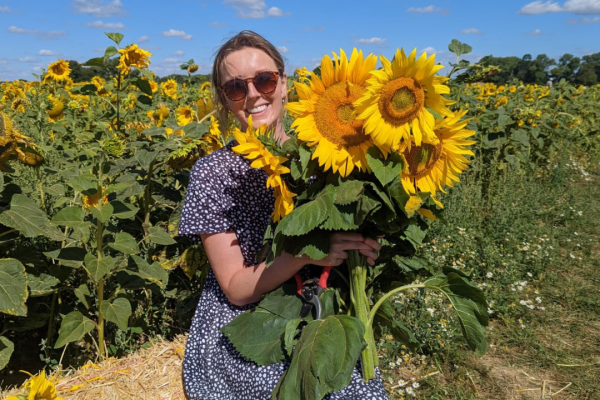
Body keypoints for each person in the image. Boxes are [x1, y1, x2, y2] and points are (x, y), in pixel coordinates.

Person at [179, 30, 389, 400]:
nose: (254, 94)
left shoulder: (325, 155)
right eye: (235, 88)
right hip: (248, 314)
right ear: (225, 101)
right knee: (276, 380)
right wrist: (307, 252)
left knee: (347, 378)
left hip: (319, 292)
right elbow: (235, 288)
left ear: (284, 82)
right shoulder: (212, 173)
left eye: (264, 79)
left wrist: (363, 247)